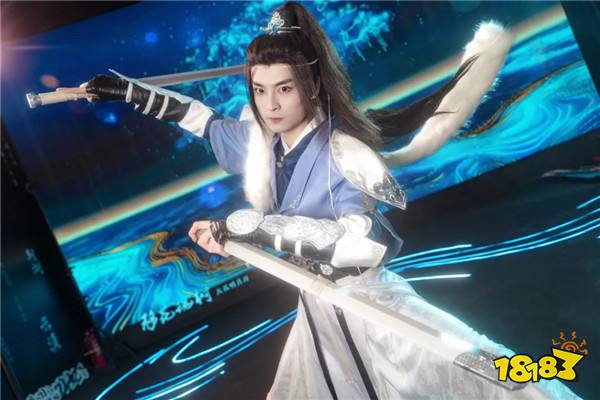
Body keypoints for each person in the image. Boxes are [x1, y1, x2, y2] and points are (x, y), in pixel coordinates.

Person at [85, 2, 579, 399]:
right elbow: (199, 119)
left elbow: (361, 245)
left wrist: (254, 228)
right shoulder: (262, 145)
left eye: (284, 88)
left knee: (488, 377)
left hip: (370, 300)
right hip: (319, 307)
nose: (271, 105)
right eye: (260, 90)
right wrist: (127, 91)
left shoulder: (345, 152)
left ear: (313, 84)